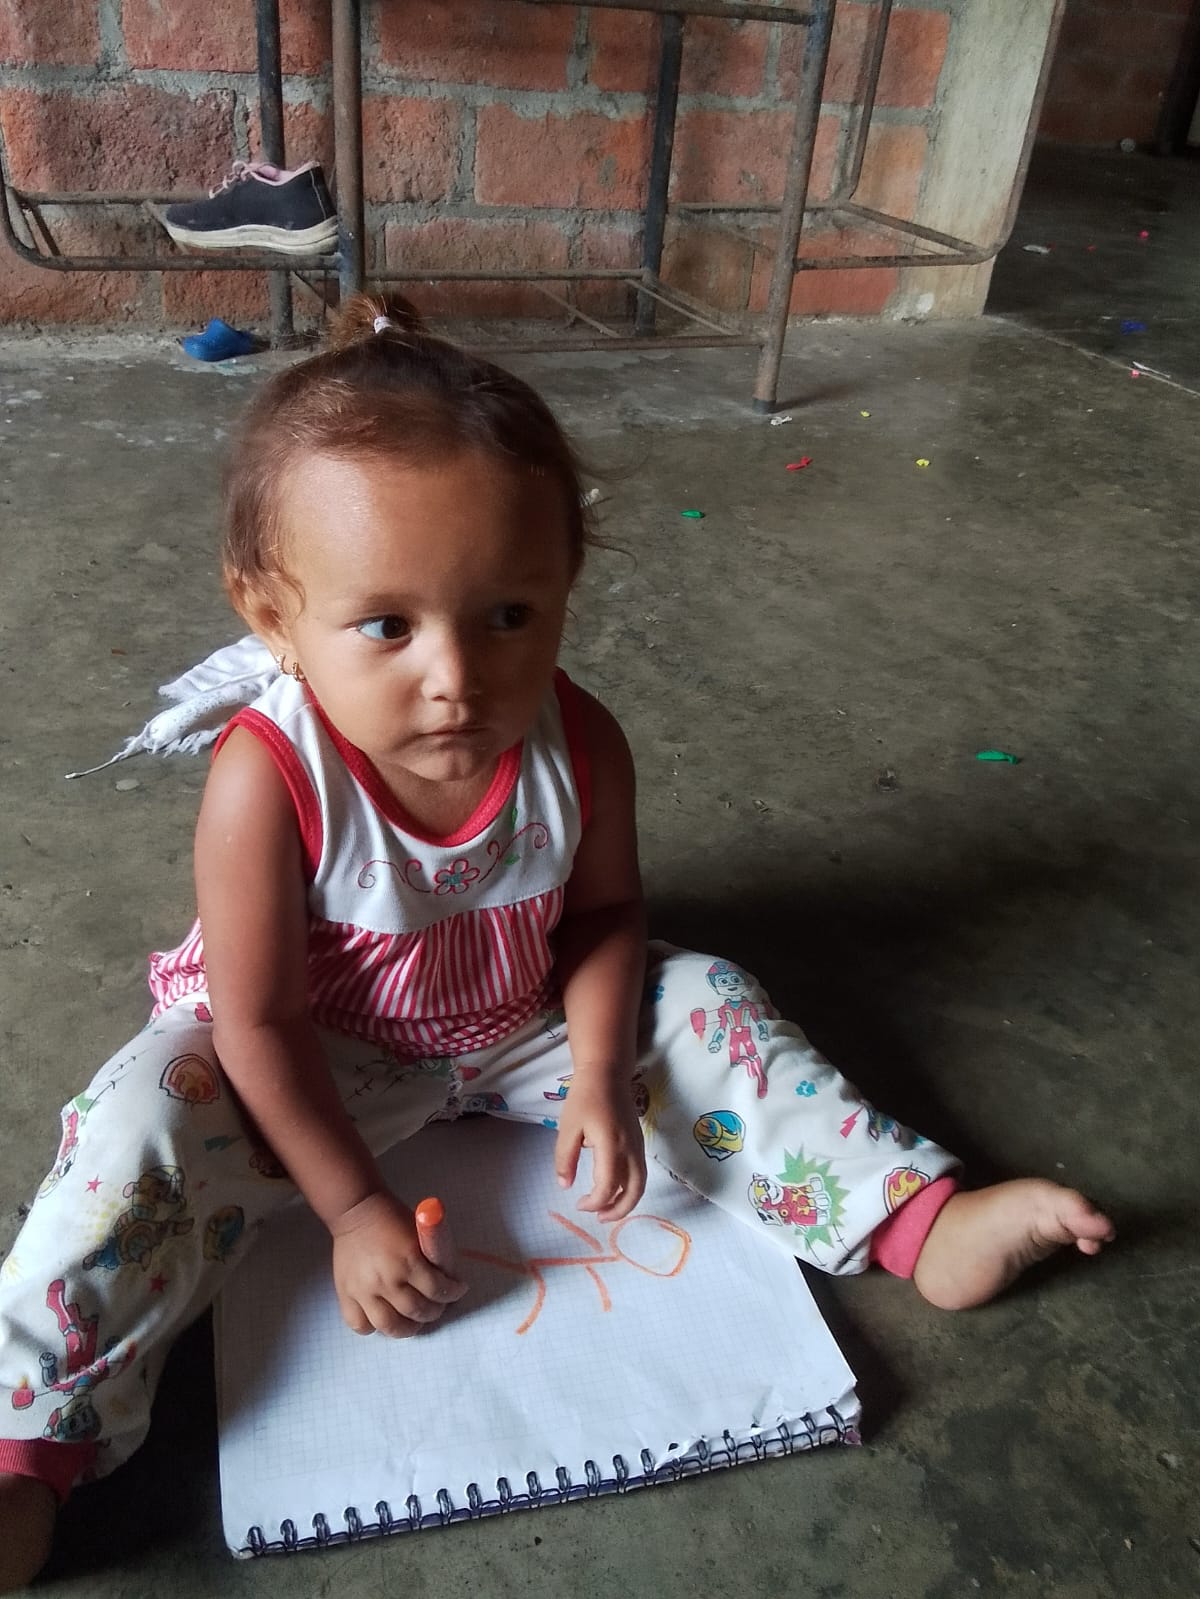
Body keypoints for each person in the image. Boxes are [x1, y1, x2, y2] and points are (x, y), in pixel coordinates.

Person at [0, 296, 1115, 1588]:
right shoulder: (267, 780)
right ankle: (30, 1450)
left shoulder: (580, 744)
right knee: (137, 1120)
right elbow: (259, 1020)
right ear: (271, 615)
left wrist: (594, 1075)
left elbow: (602, 917)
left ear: (565, 588)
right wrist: (353, 1209)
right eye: (387, 625)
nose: (457, 679)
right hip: (316, 1048)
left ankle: (917, 1221)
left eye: (509, 616)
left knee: (704, 999)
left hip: (520, 1017)